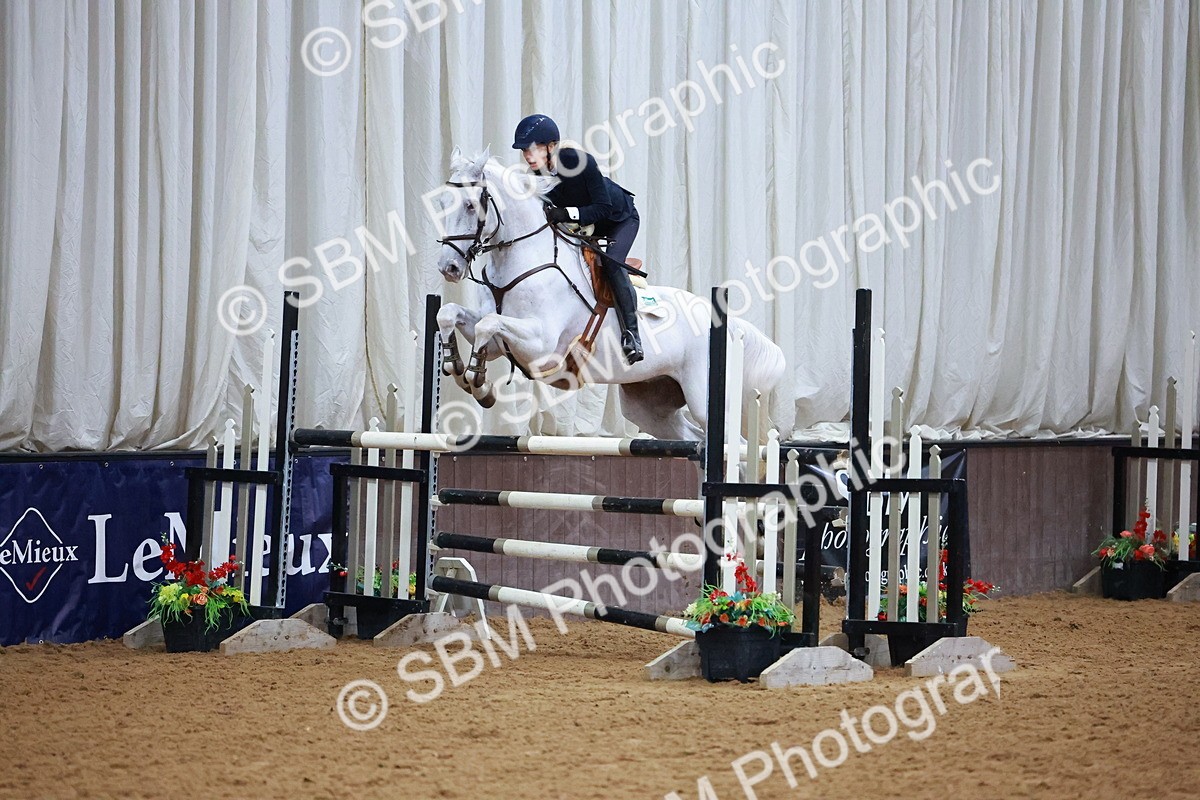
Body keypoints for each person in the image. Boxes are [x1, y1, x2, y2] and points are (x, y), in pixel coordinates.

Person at [512, 114, 644, 365]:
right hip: (585, 228)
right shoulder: (536, 176)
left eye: (533, 149)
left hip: (619, 219)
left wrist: (568, 213)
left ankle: (632, 335)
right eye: (524, 151)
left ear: (551, 147)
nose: (528, 156)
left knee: (612, 263)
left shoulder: (578, 161)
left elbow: (603, 207)